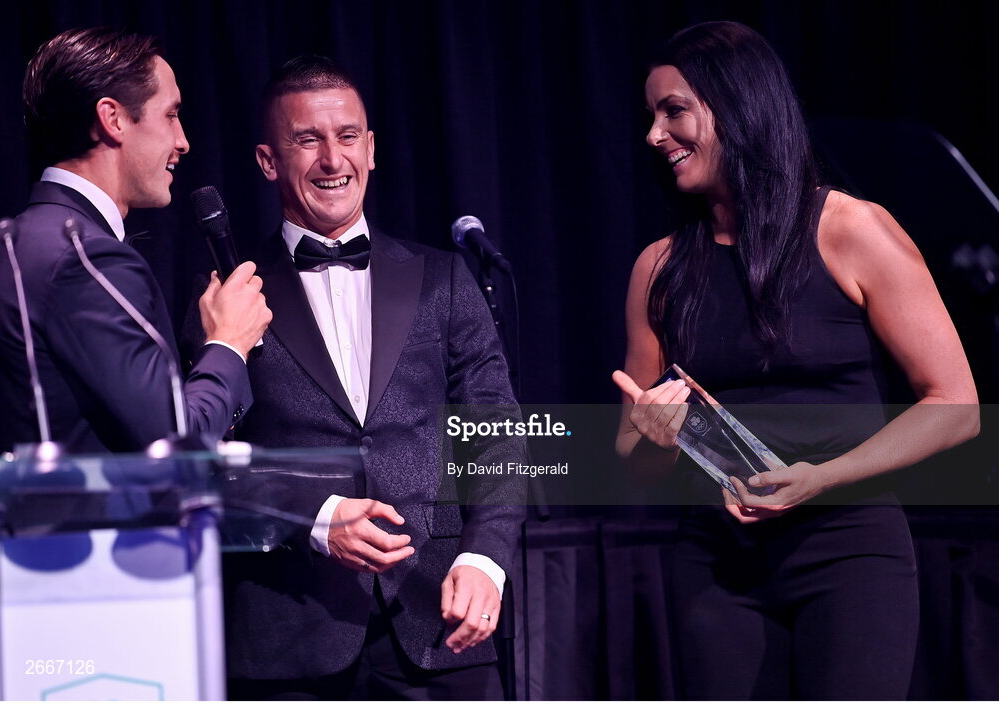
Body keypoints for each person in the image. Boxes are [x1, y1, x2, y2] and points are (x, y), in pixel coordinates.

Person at [612, 21, 978, 700]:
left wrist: (822, 477)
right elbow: (635, 461)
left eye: (674, 111)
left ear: (739, 106)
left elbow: (955, 406)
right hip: (717, 566)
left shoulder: (852, 230)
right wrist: (654, 440)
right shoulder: (657, 269)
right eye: (650, 115)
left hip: (849, 551)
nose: (654, 135)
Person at [220, 55, 523, 700]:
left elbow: (496, 431)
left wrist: (485, 557)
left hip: (442, 628)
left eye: (349, 136)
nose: (334, 160)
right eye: (308, 140)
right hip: (288, 636)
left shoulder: (442, 277)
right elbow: (210, 462)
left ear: (373, 147)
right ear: (268, 160)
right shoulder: (227, 296)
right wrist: (313, 516)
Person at [0, 28, 270, 455]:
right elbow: (173, 445)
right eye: (170, 114)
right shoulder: (83, 256)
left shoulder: (32, 235)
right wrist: (228, 342)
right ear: (112, 119)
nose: (183, 141)